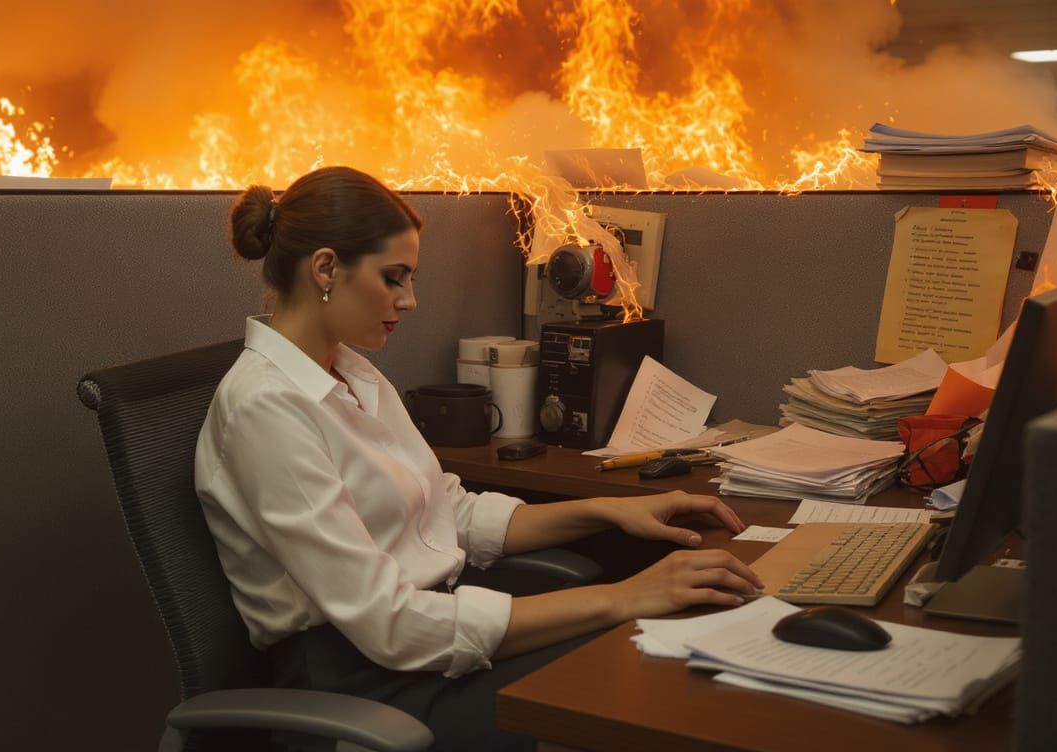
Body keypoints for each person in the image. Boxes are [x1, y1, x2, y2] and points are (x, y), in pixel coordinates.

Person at [195, 166, 763, 750]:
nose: (410, 300)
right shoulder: (265, 408)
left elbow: (449, 513)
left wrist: (607, 511)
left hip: (428, 641)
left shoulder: (352, 374)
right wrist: (624, 595)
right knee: (634, 688)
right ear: (326, 269)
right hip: (362, 686)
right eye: (395, 278)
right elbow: (387, 625)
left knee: (663, 656)